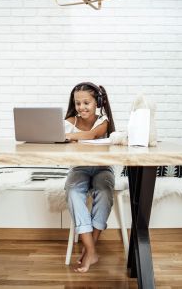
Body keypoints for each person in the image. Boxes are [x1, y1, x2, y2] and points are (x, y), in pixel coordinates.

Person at [64, 82, 115, 273]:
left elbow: (93, 135)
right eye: (77, 103)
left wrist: (69, 136)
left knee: (104, 190)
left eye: (86, 102)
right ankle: (91, 251)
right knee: (73, 191)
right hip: (80, 167)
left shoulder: (103, 120)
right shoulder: (70, 121)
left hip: (102, 168)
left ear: (97, 102)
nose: (81, 107)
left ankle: (89, 249)